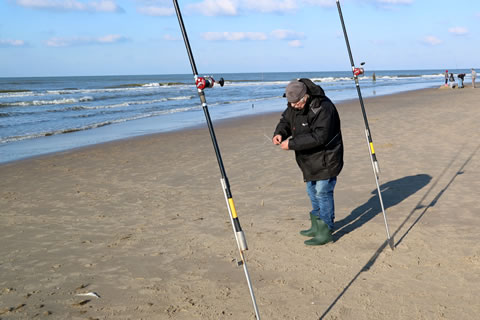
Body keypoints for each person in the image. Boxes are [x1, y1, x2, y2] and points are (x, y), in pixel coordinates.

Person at [272, 79, 344, 246]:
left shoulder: (324, 107)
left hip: (327, 157)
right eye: (290, 103)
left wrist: (291, 144)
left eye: (296, 103)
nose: (293, 106)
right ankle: (316, 225)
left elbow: (320, 137)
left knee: (322, 192)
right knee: (312, 191)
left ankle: (325, 229)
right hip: (308, 159)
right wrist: (280, 133)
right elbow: (286, 121)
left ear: (305, 97)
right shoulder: (293, 106)